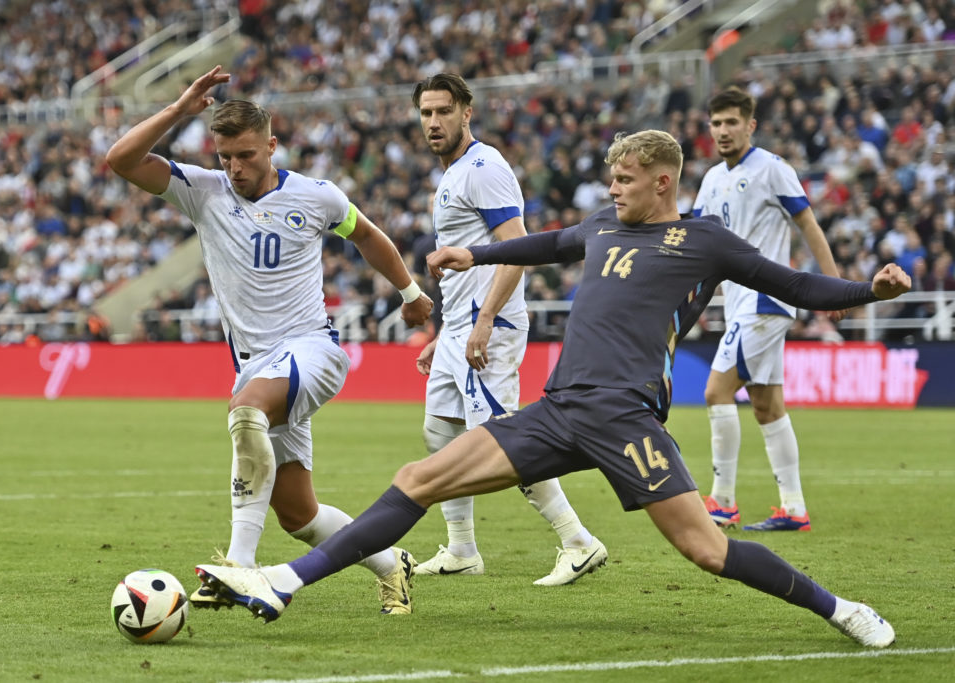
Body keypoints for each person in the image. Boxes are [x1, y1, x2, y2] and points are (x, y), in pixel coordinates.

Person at [195, 129, 906, 648]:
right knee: (420, 476)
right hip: (562, 407)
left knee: (706, 549)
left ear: (663, 181)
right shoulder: (600, 226)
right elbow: (544, 243)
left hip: (625, 416)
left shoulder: (703, 240)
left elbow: (795, 284)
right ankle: (283, 582)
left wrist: (864, 290)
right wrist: (474, 250)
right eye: (611, 180)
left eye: (625, 180)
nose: (612, 190)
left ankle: (841, 608)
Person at [106, 66, 433, 615]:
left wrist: (410, 292)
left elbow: (368, 236)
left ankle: (238, 567)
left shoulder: (316, 196)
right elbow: (120, 160)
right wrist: (179, 111)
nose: (234, 167)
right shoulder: (204, 193)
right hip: (258, 364)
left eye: (247, 155)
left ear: (272, 146)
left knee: (246, 410)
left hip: (313, 351)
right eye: (225, 155)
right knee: (298, 516)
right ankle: (390, 563)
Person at [409, 73, 607, 585]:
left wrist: (483, 321)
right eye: (426, 113)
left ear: (466, 113)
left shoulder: (483, 167)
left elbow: (516, 248)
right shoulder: (452, 173)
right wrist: (446, 333)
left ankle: (579, 541)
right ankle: (461, 550)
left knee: (504, 442)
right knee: (440, 432)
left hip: (486, 327)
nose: (434, 122)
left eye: (443, 112)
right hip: (460, 327)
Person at [692, 87, 844, 531]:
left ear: (750, 125)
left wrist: (832, 288)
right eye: (716, 123)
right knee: (766, 405)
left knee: (716, 392)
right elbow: (701, 244)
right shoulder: (711, 179)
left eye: (731, 122)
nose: (722, 131)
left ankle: (722, 502)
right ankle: (793, 509)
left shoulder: (773, 169)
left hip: (764, 300)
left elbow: (808, 224)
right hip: (738, 301)